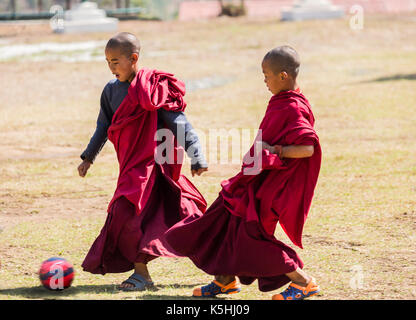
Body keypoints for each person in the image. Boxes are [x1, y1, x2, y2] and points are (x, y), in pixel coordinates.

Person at [165, 45, 322, 300]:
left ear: (283, 76)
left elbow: (307, 148)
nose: (264, 81)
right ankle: (224, 280)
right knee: (221, 221)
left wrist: (276, 150)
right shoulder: (281, 101)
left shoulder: (293, 107)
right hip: (251, 179)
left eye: (266, 75)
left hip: (267, 187)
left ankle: (303, 282)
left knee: (250, 236)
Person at [78, 32, 208, 291]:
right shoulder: (110, 91)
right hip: (131, 166)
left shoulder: (152, 89)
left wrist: (197, 154)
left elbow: (179, 122)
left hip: (156, 167)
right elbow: (104, 126)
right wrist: (88, 157)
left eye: (116, 61)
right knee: (127, 216)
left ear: (133, 58)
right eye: (107, 61)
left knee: (184, 216)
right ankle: (142, 274)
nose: (111, 67)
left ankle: (223, 268)